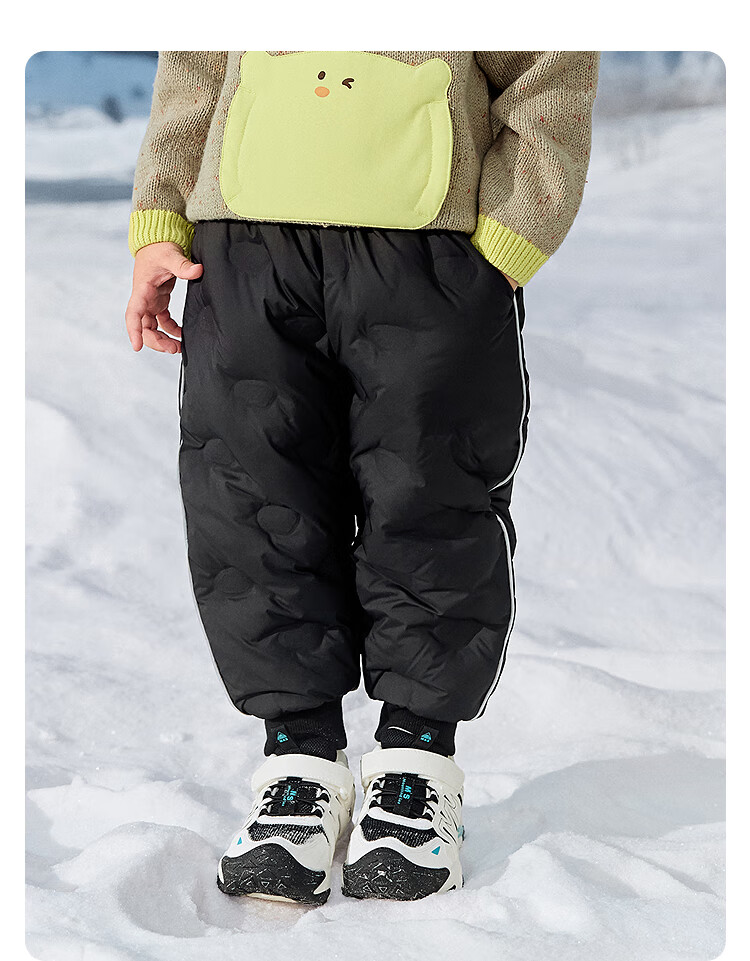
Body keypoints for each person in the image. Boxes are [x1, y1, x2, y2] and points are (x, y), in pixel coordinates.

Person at [125, 50, 600, 904]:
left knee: (429, 496)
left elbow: (550, 62)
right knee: (250, 499)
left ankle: (416, 765)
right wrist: (161, 213)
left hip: (432, 256)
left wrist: (512, 233)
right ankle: (297, 766)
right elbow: (195, 56)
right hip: (245, 250)